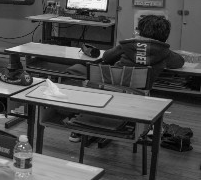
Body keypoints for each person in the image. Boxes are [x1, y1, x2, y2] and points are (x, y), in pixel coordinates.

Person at [66, 14, 185, 142]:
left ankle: (82, 125)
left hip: (107, 93)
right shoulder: (164, 52)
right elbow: (179, 62)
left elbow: (106, 56)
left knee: (78, 68)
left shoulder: (127, 45)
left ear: (139, 31)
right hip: (138, 98)